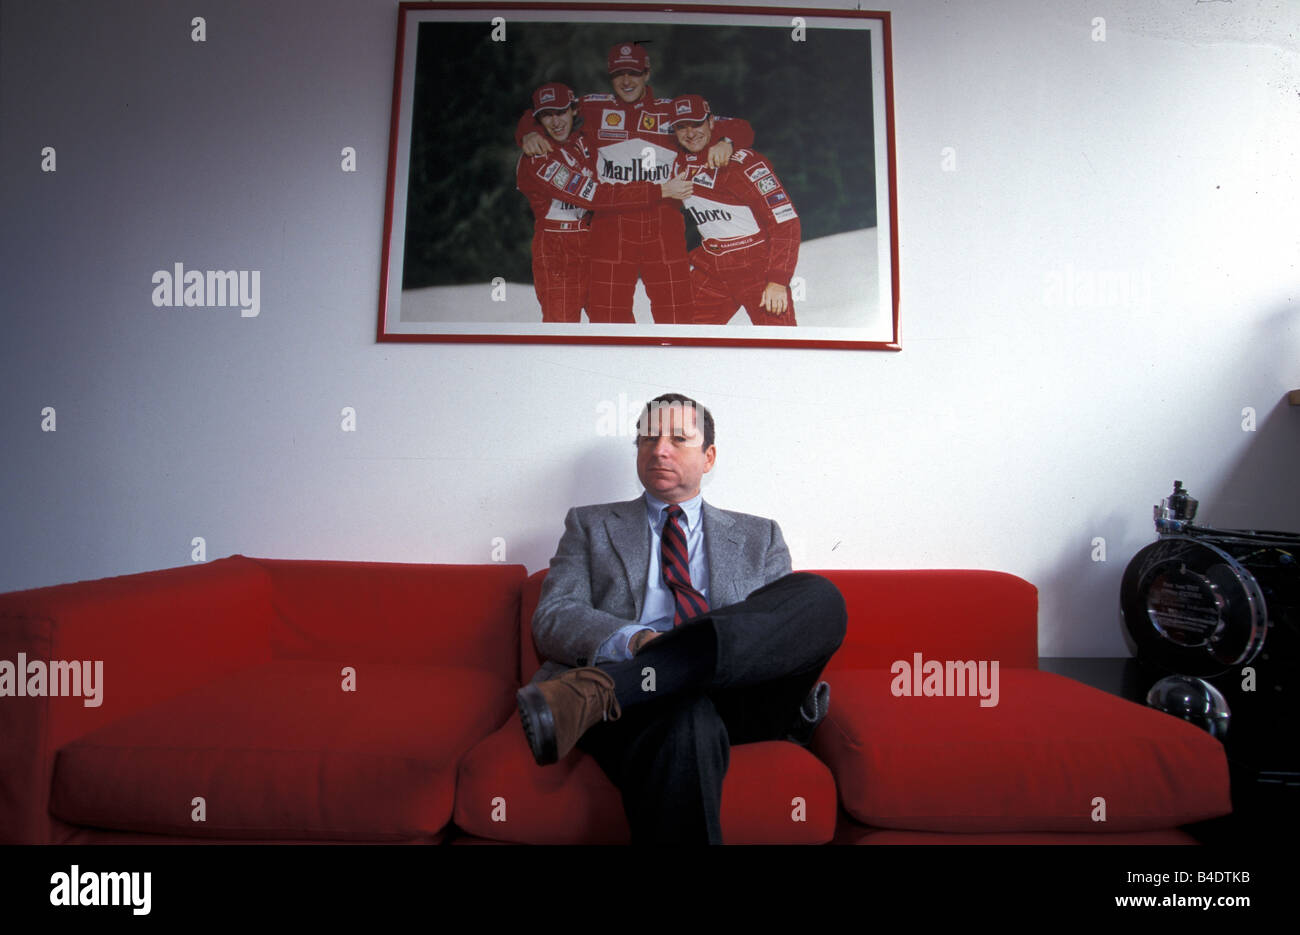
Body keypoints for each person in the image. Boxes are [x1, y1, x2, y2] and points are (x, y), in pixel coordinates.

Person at [517, 393, 846, 844]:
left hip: (739, 696)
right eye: (647, 438)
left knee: (821, 595)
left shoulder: (759, 535)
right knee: (683, 715)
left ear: (708, 457)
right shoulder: (590, 525)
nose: (659, 449)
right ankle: (644, 677)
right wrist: (636, 642)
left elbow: (780, 638)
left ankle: (606, 689)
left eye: (678, 438)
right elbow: (553, 616)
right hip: (644, 706)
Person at [515, 43, 755, 324]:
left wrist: (727, 141)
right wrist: (528, 133)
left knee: (675, 312)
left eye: (634, 73)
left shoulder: (670, 111)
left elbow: (740, 125)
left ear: (647, 73)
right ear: (610, 76)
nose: (626, 81)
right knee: (609, 317)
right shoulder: (592, 106)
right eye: (619, 74)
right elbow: (544, 112)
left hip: (663, 223)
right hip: (611, 225)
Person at [515, 82, 693, 322]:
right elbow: (596, 195)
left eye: (560, 112)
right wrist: (660, 190)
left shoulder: (582, 141)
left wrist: (726, 141)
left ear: (574, 110)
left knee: (613, 321)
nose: (555, 122)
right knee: (562, 328)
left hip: (596, 240)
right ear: (539, 120)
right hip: (560, 249)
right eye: (546, 116)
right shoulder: (536, 158)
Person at [667, 94, 801, 326]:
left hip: (757, 268)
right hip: (712, 266)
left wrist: (778, 280)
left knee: (780, 346)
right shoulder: (676, 160)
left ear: (711, 122)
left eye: (697, 124)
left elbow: (786, 222)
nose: (690, 133)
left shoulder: (743, 163)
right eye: (681, 127)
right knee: (683, 334)